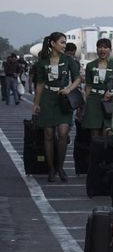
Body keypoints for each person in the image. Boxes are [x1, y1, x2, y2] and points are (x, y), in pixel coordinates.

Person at [32, 32, 81, 182]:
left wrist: (69, 88)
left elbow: (78, 78)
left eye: (65, 43)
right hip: (47, 99)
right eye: (61, 42)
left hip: (63, 99)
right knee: (48, 134)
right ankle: (51, 168)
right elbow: (39, 84)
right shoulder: (42, 62)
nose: (64, 45)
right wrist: (36, 103)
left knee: (63, 133)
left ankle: (60, 166)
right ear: (52, 43)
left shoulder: (68, 60)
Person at [82, 38, 113, 138]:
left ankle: (105, 153)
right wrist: (85, 102)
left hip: (110, 101)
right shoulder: (90, 65)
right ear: (96, 49)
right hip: (93, 100)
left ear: (110, 50)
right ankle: (95, 153)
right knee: (94, 132)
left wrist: (112, 94)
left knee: (108, 131)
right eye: (100, 47)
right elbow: (88, 85)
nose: (102, 50)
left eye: (105, 47)